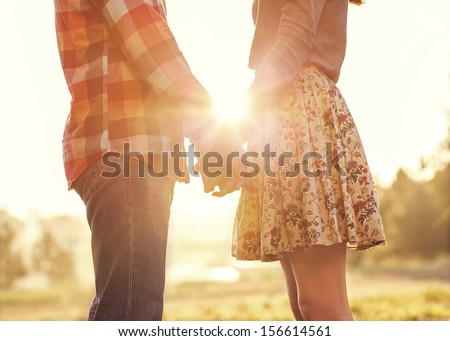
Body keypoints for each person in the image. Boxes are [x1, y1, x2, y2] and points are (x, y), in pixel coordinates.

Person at [53, 0, 237, 320]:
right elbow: (152, 49)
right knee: (132, 313)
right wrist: (213, 131)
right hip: (126, 151)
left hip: (130, 152)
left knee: (130, 308)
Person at [230, 0, 386, 321]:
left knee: (318, 303)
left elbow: (292, 42)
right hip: (283, 118)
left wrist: (233, 132)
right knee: (304, 306)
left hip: (302, 117)